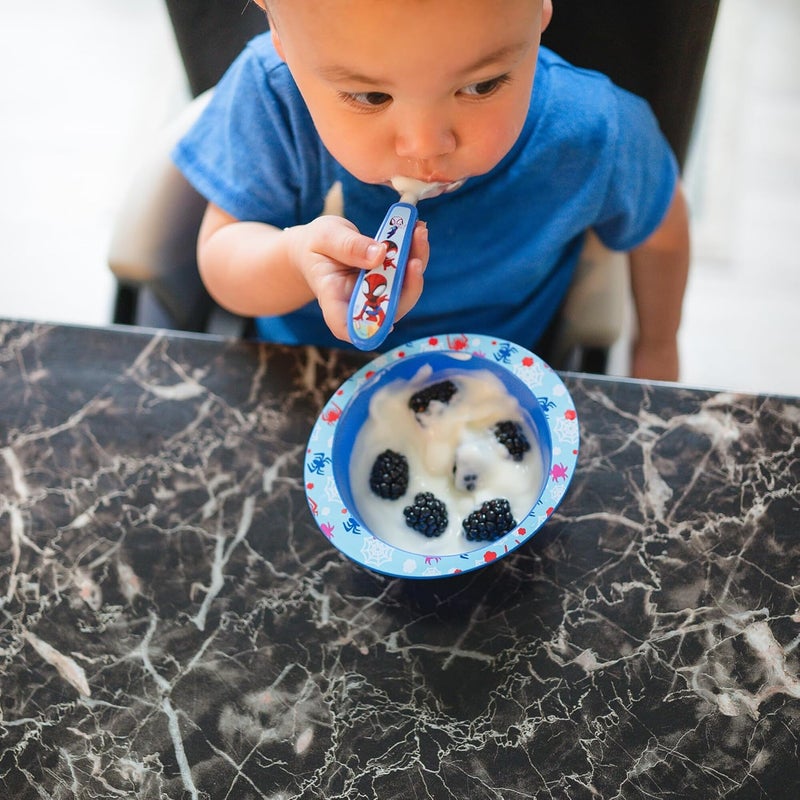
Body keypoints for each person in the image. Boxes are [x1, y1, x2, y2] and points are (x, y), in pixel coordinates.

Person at [172, 0, 690, 381]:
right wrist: (293, 259)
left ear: (540, 14)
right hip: (308, 372)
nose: (425, 147)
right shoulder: (273, 98)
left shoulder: (595, 132)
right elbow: (221, 258)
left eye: (481, 86)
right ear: (282, 39)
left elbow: (662, 231)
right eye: (370, 96)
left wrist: (658, 347)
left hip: (493, 380)